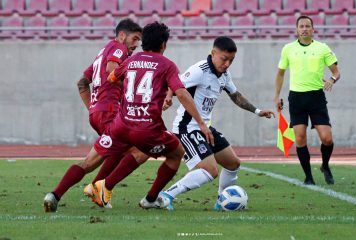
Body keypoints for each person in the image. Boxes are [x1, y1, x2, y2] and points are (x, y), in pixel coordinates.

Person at [85, 22, 214, 210]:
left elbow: (112, 77)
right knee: (176, 153)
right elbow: (182, 93)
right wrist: (201, 123)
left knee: (141, 151)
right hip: (146, 126)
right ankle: (139, 195)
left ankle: (104, 186)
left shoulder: (131, 60)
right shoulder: (167, 65)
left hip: (122, 123)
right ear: (163, 44)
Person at [43, 19, 148, 212]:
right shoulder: (118, 48)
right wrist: (133, 89)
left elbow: (82, 83)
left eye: (139, 41)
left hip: (99, 113)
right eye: (134, 38)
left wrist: (92, 107)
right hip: (110, 112)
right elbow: (111, 72)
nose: (136, 44)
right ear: (122, 35)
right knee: (141, 150)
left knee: (111, 153)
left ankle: (57, 194)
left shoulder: (102, 52)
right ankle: (98, 188)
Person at [160, 36, 275, 210]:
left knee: (233, 163)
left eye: (231, 60)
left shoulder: (224, 75)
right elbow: (175, 83)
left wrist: (257, 111)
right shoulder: (200, 70)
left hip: (204, 128)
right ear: (213, 53)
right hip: (187, 129)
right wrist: (169, 96)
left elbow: (235, 96)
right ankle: (166, 195)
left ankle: (222, 201)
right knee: (210, 170)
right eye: (224, 59)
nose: (227, 63)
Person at [274, 16, 341, 185]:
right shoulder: (288, 49)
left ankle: (325, 166)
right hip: (296, 98)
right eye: (301, 26)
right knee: (300, 138)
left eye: (307, 26)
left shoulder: (322, 48)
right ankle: (308, 177)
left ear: (313, 29)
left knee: (326, 138)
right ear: (296, 30)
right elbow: (280, 74)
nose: (304, 29)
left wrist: (331, 80)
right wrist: (276, 96)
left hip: (316, 97)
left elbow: (336, 72)